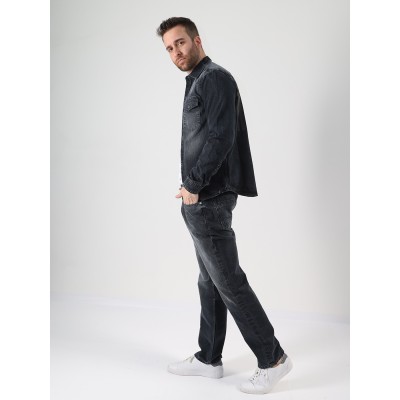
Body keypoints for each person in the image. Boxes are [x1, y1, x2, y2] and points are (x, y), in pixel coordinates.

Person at [156, 17, 293, 395]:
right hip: (201, 197)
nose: (176, 52)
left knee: (229, 282)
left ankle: (273, 359)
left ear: (196, 40)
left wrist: (193, 185)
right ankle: (209, 358)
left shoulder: (214, 78)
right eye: (169, 48)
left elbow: (221, 136)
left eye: (180, 43)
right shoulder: (199, 81)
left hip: (209, 198)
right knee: (210, 281)